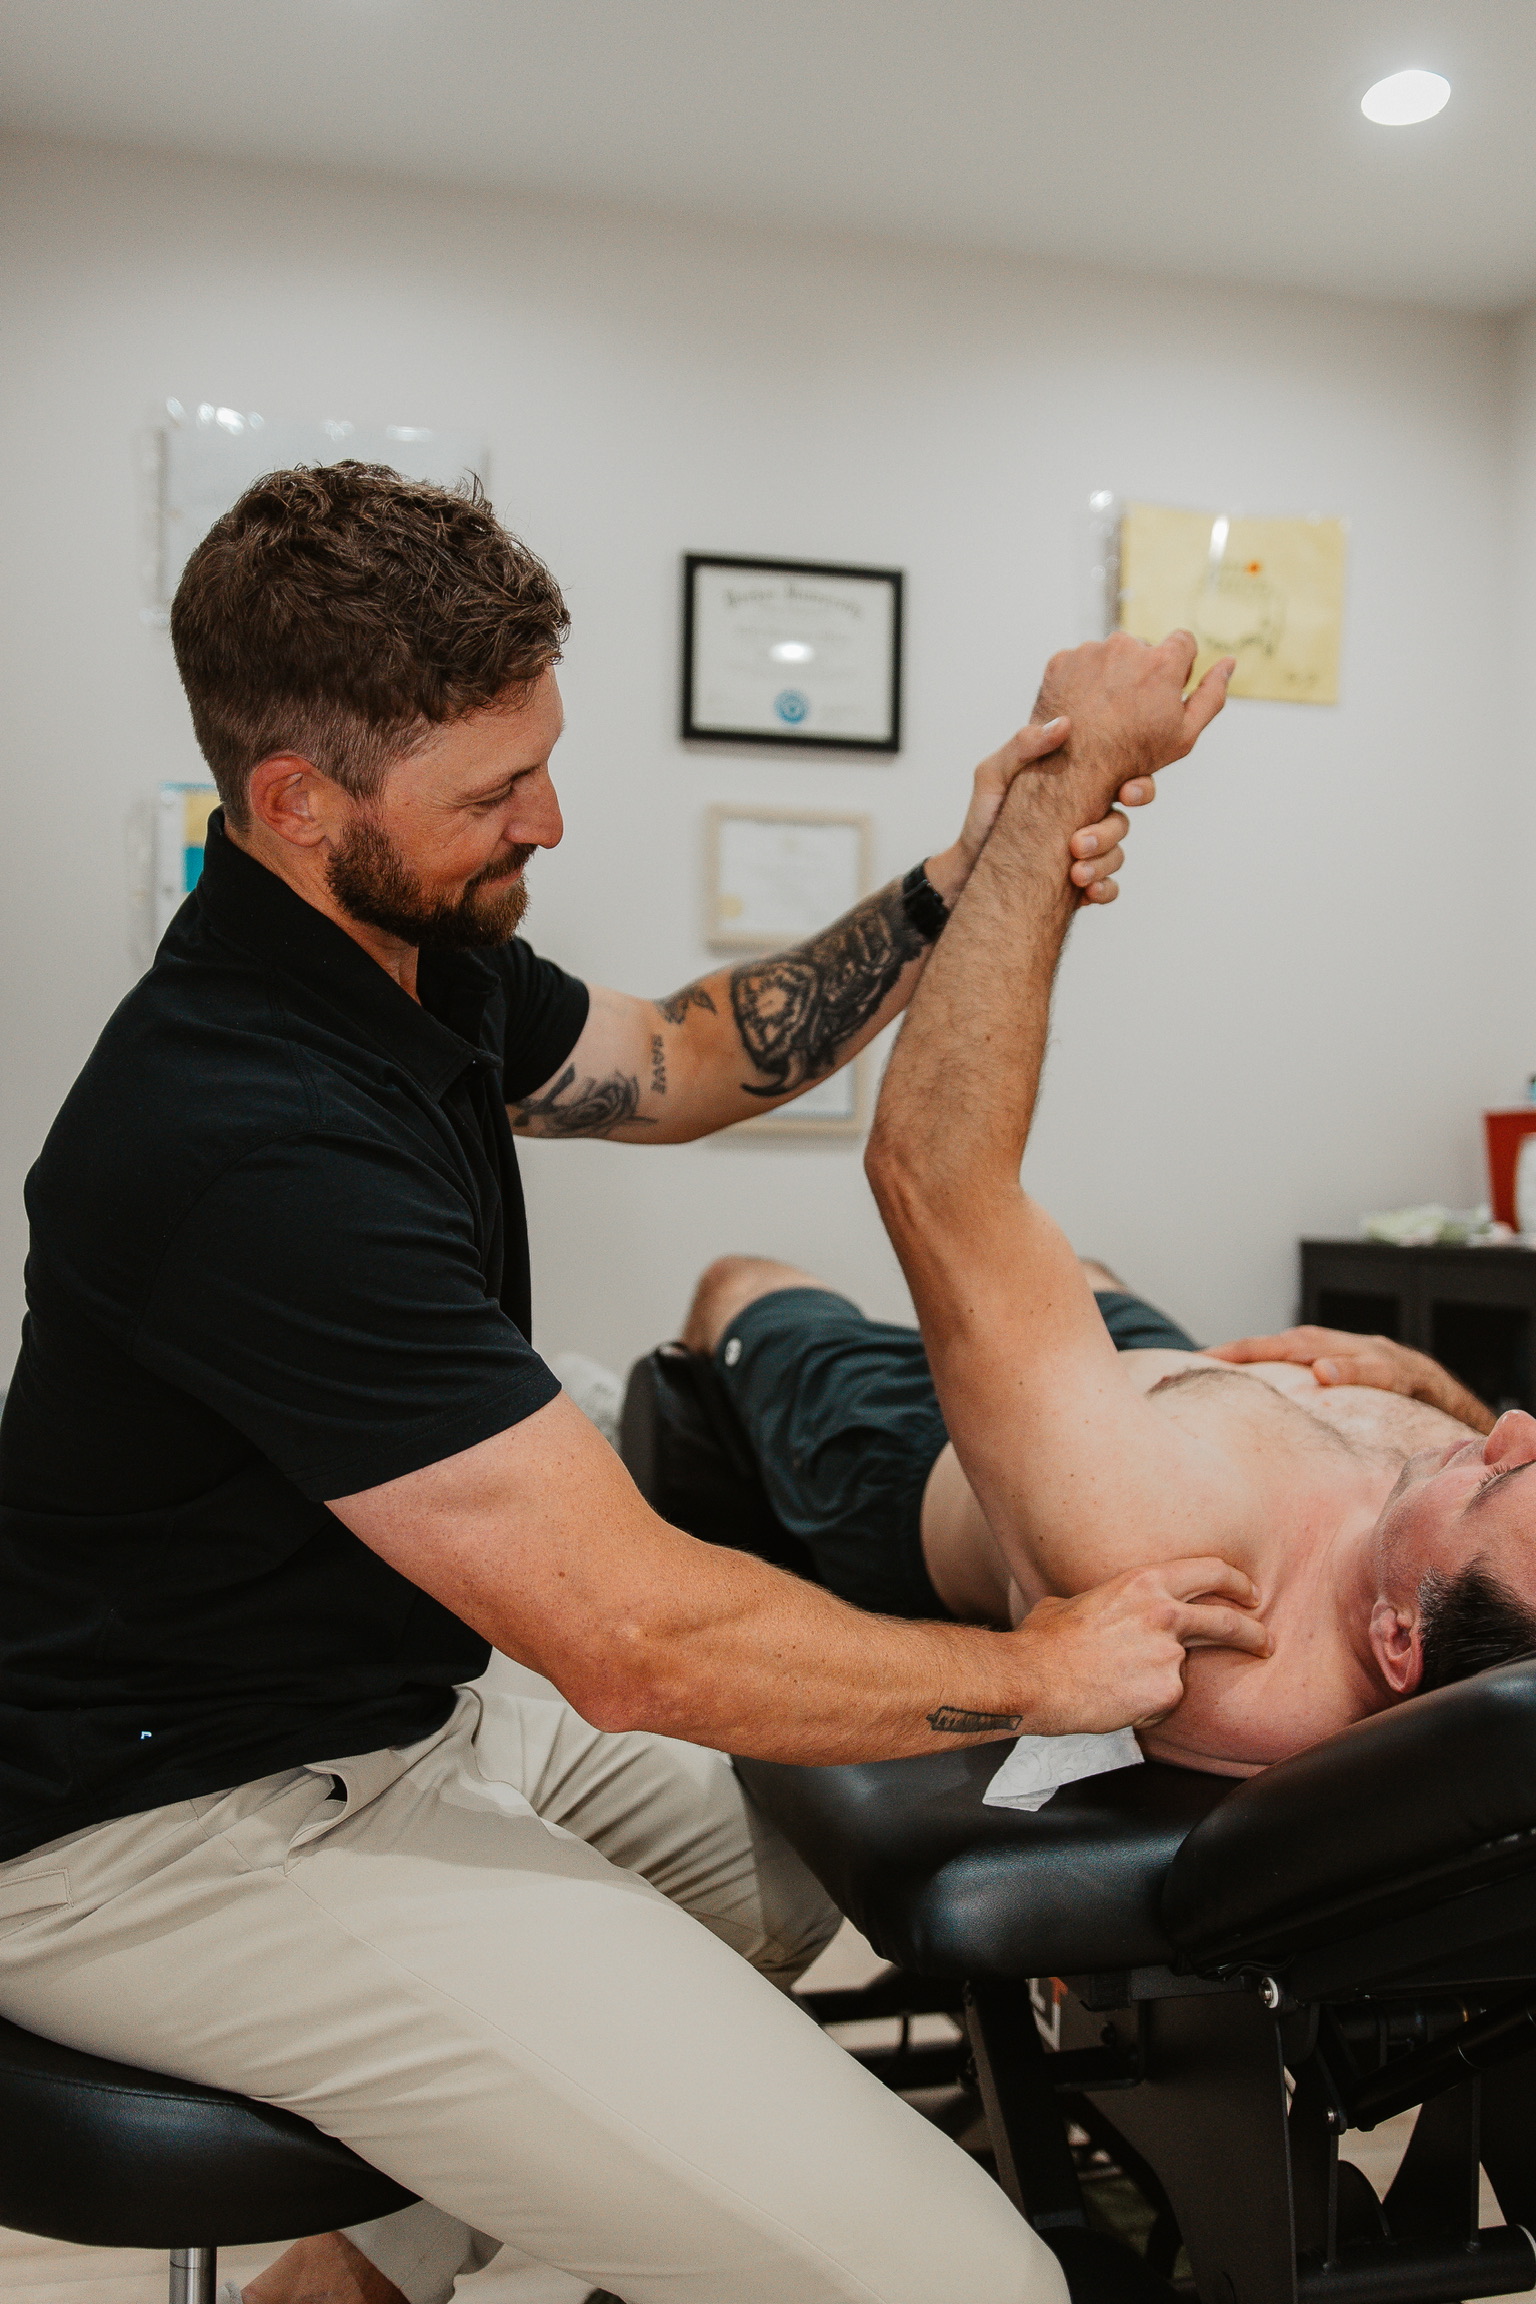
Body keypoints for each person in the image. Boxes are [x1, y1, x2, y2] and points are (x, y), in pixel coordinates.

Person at [0, 465, 1263, 2304]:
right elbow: (634, 1636)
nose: (554, 815)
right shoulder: (242, 1135)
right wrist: (1038, 1664)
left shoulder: (409, 957)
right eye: (495, 791)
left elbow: (684, 1057)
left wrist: (959, 870)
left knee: (790, 1864)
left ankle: (349, 2271)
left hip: (387, 1710)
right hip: (169, 1827)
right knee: (966, 2285)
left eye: (545, 755)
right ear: (294, 800)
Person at [685, 632, 1536, 1783]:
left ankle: (679, 1403)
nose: (1514, 1431)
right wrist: (1435, 1395)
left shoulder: (1184, 1571)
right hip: (1174, 1392)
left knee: (744, 1282)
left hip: (922, 1458)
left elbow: (935, 1179)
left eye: (1494, 1477)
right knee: (1087, 1274)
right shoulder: (1468, 1586)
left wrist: (1064, 784)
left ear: (1397, 1642)